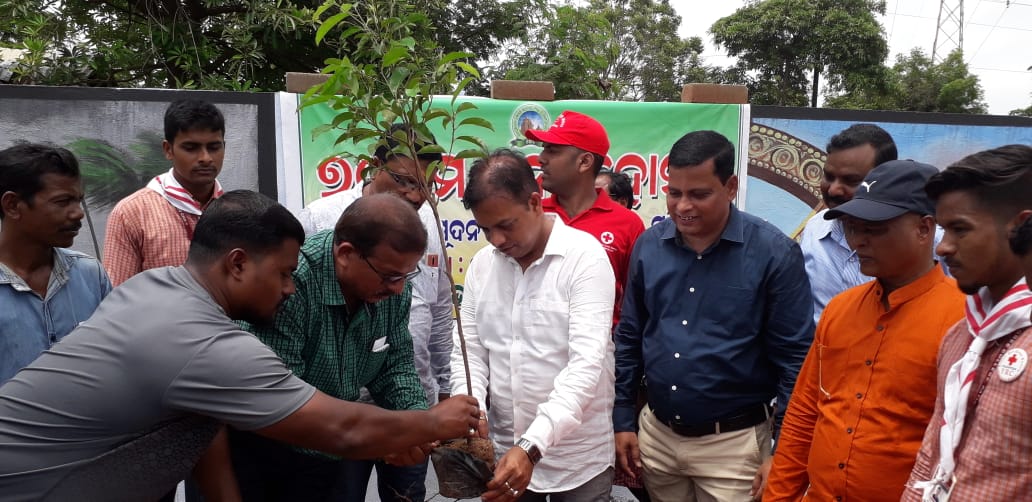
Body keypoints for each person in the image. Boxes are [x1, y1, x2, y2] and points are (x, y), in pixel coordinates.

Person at [0, 190, 482, 501]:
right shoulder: (205, 341)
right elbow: (340, 429)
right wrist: (431, 422)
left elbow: (202, 424)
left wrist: (404, 427)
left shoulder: (156, 288)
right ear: (236, 264)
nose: (290, 287)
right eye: (284, 274)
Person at [613, 130, 814, 502]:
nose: (683, 206)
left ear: (731, 187)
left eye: (699, 194)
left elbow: (796, 359)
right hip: (657, 439)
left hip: (734, 450)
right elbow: (630, 336)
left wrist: (783, 449)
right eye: (674, 192)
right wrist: (623, 418)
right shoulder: (649, 247)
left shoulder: (774, 254)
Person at [763, 160, 965, 501]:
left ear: (924, 229)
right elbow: (804, 413)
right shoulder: (840, 310)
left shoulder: (963, 321)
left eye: (875, 229)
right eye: (853, 228)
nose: (858, 241)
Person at [228, 192, 435, 501]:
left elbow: (395, 364)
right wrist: (379, 437)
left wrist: (415, 423)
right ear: (346, 254)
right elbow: (280, 402)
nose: (399, 288)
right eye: (390, 276)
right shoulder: (291, 286)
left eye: (407, 275)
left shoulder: (391, 287)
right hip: (266, 452)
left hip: (331, 450)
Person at [296, 126, 452, 501]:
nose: (415, 195)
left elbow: (417, 339)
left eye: (426, 185)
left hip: (404, 401)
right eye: (404, 180)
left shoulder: (427, 233)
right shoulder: (317, 227)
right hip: (326, 421)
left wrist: (423, 414)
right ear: (374, 165)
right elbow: (285, 392)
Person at [454, 149, 617, 501]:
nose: (496, 240)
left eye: (506, 225)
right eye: (485, 229)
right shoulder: (483, 265)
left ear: (534, 202)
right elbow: (469, 351)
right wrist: (471, 410)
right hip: (505, 453)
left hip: (576, 461)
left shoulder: (584, 258)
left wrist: (531, 446)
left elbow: (586, 366)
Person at [902, 145, 1032, 501]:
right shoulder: (960, 337)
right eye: (944, 230)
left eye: (960, 229)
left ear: (1021, 227)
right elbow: (930, 459)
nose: (942, 248)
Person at [0, 143, 111, 383]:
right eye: (62, 202)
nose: (78, 213)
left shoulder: (91, 276)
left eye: (79, 200)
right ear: (12, 205)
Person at [525, 110, 645, 324]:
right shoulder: (533, 215)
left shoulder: (628, 223)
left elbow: (635, 303)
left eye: (552, 150)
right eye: (544, 149)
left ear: (584, 162)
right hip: (535, 343)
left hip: (599, 342)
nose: (541, 159)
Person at [103, 99, 227, 286]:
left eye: (214, 147)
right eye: (191, 148)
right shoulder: (131, 214)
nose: (205, 158)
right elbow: (118, 295)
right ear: (168, 150)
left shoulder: (236, 212)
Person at [799, 124, 897, 322]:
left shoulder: (929, 241)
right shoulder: (814, 229)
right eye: (829, 177)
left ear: (886, 180)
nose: (833, 190)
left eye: (851, 180)